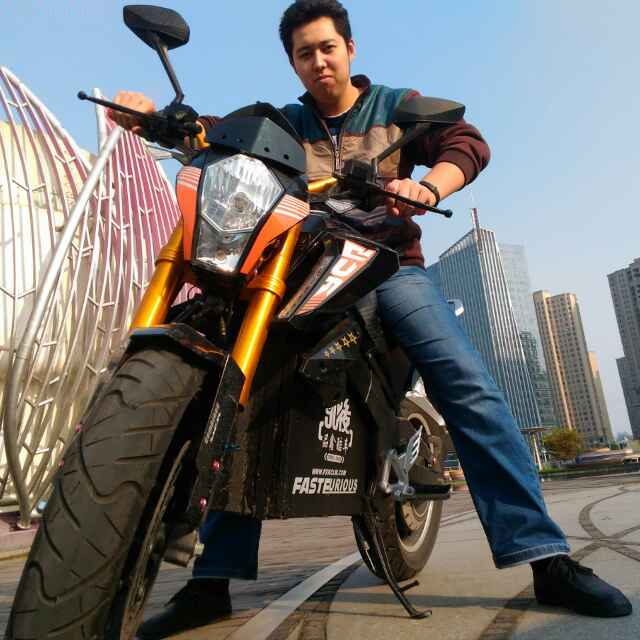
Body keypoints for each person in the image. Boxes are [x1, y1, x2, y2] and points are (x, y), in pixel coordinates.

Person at [110, 2, 632, 637]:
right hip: (304, 270)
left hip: (388, 267)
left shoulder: (393, 106)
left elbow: (465, 142)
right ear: (293, 63)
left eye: (327, 47)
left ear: (350, 49)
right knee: (241, 393)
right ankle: (211, 580)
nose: (318, 61)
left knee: (465, 382)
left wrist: (428, 186)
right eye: (304, 53)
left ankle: (546, 559)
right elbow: (224, 136)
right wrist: (156, 120)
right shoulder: (285, 123)